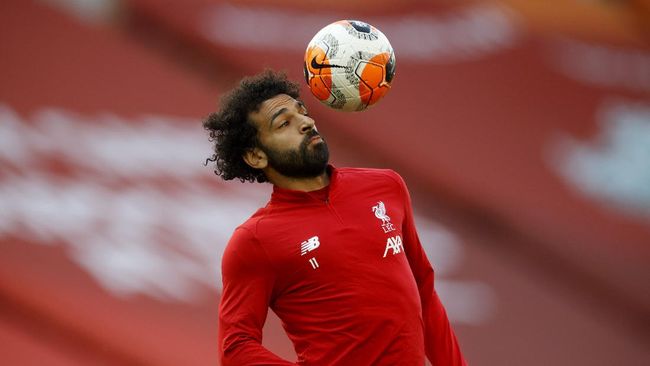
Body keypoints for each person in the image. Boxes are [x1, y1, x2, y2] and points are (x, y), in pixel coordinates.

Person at [204, 69, 467, 365]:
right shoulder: (255, 240)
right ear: (256, 156)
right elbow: (235, 347)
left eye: (301, 111)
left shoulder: (387, 186)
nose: (306, 122)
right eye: (284, 123)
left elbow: (424, 292)